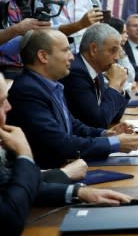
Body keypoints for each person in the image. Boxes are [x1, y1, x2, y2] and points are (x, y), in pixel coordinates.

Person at [0, 72, 131, 235]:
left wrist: (79, 192)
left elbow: (16, 185)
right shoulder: (29, 89)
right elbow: (9, 218)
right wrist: (25, 155)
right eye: (1, 102)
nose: (8, 107)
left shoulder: (53, 86)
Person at [7, 29, 138, 169]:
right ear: (43, 56)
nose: (72, 57)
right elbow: (60, 143)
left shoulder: (52, 85)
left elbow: (72, 125)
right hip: (47, 175)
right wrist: (114, 143)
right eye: (66, 50)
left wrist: (106, 134)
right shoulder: (27, 91)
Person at [59, 24, 130, 129]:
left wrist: (119, 85)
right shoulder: (75, 73)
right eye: (113, 50)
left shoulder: (97, 69)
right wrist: (114, 85)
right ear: (93, 49)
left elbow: (115, 115)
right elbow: (98, 123)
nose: (117, 57)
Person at [104, 17, 136, 89]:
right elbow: (108, 84)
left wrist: (121, 53)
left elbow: (131, 77)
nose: (127, 36)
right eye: (123, 32)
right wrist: (129, 86)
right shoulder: (105, 55)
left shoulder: (121, 50)